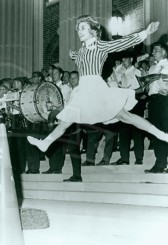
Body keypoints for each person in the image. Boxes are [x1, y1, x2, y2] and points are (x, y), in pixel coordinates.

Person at [27, 16, 167, 153]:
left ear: (93, 31)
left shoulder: (100, 45)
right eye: (78, 29)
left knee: (125, 116)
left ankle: (160, 134)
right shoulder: (82, 51)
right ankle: (45, 143)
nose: (79, 31)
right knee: (65, 120)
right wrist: (73, 55)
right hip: (83, 90)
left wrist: (145, 32)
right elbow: (79, 57)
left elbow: (120, 44)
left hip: (96, 88)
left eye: (83, 28)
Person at [112, 52, 145, 165]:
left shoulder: (137, 71)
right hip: (123, 104)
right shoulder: (119, 72)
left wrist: (131, 92)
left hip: (135, 103)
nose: (124, 60)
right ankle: (124, 158)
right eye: (123, 58)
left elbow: (143, 88)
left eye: (126, 58)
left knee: (137, 130)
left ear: (131, 59)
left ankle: (139, 158)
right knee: (123, 131)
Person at [145, 43, 168, 173]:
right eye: (153, 50)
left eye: (156, 50)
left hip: (166, 100)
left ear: (164, 52)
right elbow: (148, 88)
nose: (153, 52)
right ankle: (159, 164)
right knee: (156, 132)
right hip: (154, 100)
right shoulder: (152, 68)